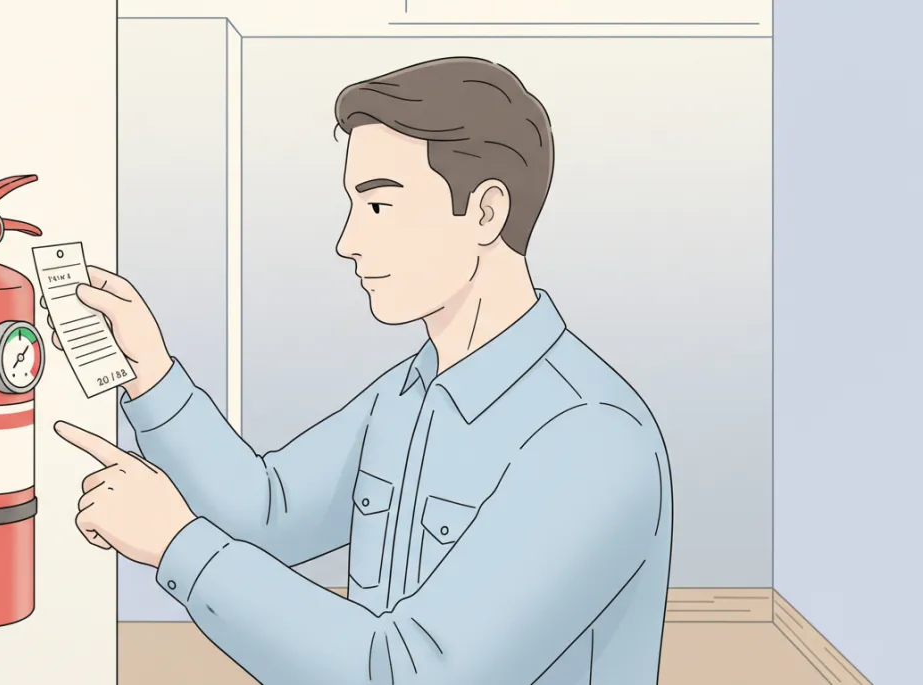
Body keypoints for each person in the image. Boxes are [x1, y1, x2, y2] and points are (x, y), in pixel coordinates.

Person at [47, 56, 673, 684]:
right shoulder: (404, 396)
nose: (347, 241)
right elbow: (266, 513)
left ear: (485, 213)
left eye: (377, 206)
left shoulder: (593, 439)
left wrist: (177, 545)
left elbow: (413, 672)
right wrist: (152, 375)